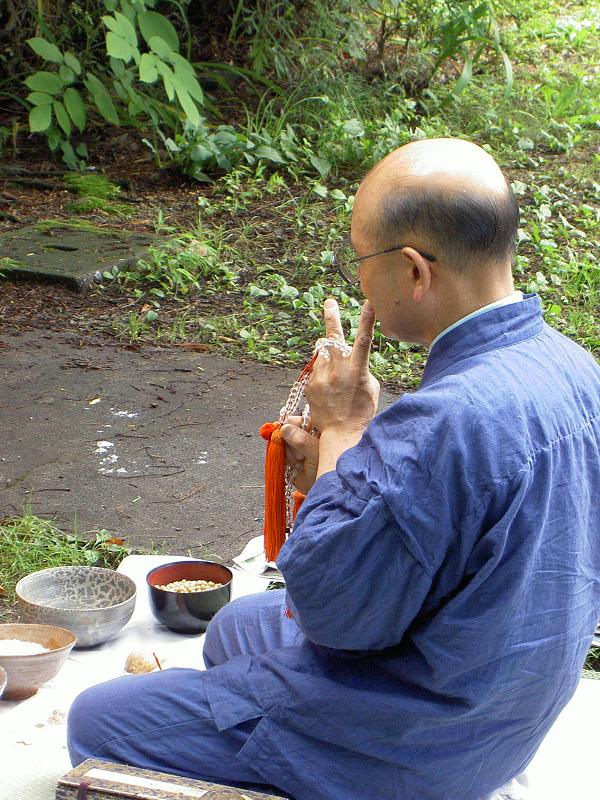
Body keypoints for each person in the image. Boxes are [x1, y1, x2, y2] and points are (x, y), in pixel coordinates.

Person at [67, 138, 600, 800]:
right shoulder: (576, 367)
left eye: (361, 261)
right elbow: (449, 524)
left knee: (98, 721)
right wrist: (340, 469)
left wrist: (344, 434)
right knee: (235, 627)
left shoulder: (444, 422)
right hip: (504, 701)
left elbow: (337, 615)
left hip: (421, 733)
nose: (359, 281)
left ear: (414, 271)